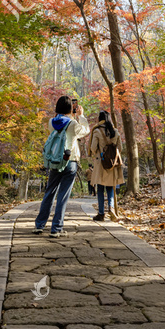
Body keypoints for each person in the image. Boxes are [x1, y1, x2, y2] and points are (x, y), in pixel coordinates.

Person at [33, 95, 89, 237]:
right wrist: (80, 116)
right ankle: (56, 228)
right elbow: (85, 131)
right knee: (63, 196)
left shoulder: (51, 122)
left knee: (49, 192)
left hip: (55, 161)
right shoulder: (72, 124)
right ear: (71, 108)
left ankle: (39, 225)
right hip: (70, 161)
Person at [88, 110, 124, 222]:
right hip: (113, 163)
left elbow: (93, 148)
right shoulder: (115, 131)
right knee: (110, 187)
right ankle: (111, 208)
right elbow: (120, 148)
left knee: (100, 188)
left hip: (101, 162)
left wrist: (99, 152)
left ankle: (101, 213)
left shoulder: (97, 131)